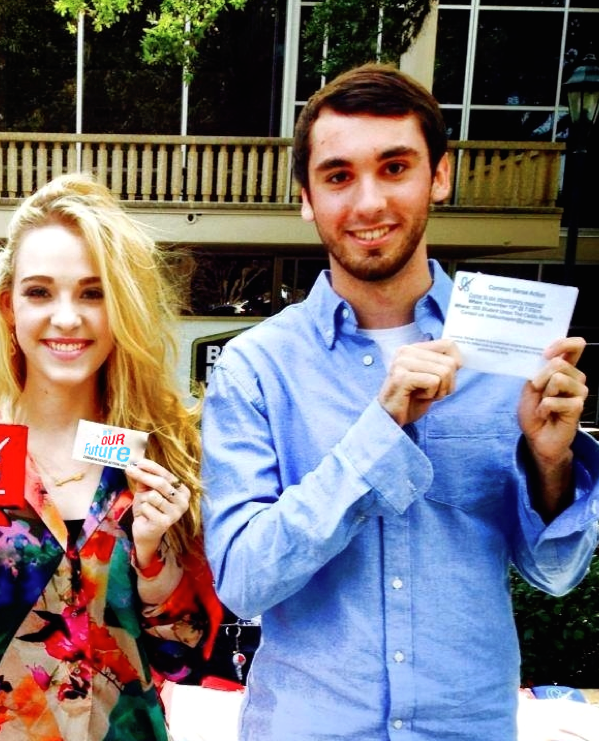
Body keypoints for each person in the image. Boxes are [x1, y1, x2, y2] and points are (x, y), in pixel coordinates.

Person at [200, 63, 599, 740]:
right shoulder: (255, 368)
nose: (368, 203)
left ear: (438, 177)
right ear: (306, 197)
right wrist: (379, 432)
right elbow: (242, 578)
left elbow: (556, 575)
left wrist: (551, 463)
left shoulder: (511, 356)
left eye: (394, 167)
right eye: (337, 176)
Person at [0, 173, 221, 741]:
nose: (67, 317)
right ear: (8, 307)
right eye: (40, 291)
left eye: (93, 293)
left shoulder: (163, 456)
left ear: (121, 307)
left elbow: (184, 659)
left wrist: (154, 558)